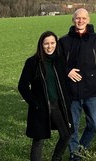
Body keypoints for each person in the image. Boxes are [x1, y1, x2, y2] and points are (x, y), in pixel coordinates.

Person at [59, 9, 96, 160]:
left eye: (83, 18)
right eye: (77, 18)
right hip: (71, 92)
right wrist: (67, 71)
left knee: (93, 125)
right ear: (73, 20)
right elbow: (56, 63)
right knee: (72, 127)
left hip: (92, 91)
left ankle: (80, 150)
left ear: (88, 20)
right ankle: (75, 155)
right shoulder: (64, 41)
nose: (80, 21)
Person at [18, 31, 73, 161]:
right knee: (39, 139)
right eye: (46, 44)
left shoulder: (60, 60)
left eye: (52, 43)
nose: (50, 46)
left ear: (56, 44)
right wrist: (35, 103)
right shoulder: (32, 62)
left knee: (66, 135)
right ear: (41, 45)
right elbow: (22, 86)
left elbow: (64, 82)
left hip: (58, 105)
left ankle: (56, 158)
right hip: (41, 106)